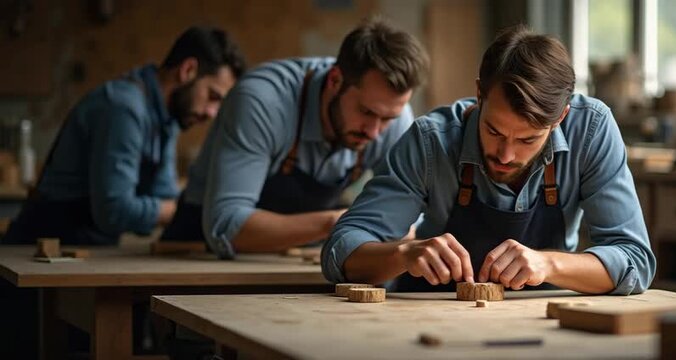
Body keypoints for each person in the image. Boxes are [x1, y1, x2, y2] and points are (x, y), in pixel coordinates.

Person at [322, 26, 655, 295]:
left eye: (528, 139)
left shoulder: (591, 129)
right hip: (432, 311)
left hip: (542, 314)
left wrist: (548, 265)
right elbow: (341, 249)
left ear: (561, 117)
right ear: (479, 94)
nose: (506, 155)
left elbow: (635, 261)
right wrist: (403, 254)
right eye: (494, 131)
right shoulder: (431, 140)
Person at [160, 17, 429, 259]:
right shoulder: (263, 102)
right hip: (200, 248)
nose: (374, 131)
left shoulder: (395, 115)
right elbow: (226, 225)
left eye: (387, 119)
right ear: (335, 80)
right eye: (366, 112)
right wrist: (338, 223)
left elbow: (408, 220)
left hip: (298, 253)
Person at [3, 26, 245, 245]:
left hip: (86, 249)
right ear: (188, 70)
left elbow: (165, 195)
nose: (212, 113)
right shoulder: (123, 107)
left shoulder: (168, 117)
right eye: (212, 96)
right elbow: (114, 211)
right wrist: (188, 211)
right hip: (39, 251)